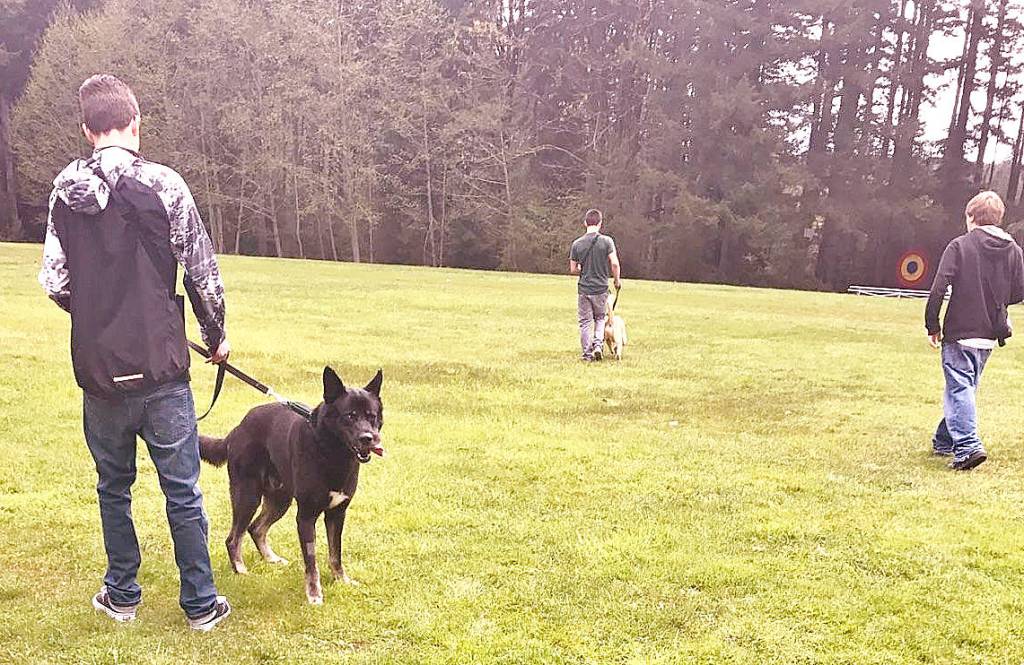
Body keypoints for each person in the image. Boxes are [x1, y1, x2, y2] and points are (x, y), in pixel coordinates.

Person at [38, 74, 232, 629]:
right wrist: (216, 336)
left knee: (112, 487)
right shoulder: (166, 184)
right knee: (182, 489)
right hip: (162, 370)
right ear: (135, 123)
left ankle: (121, 595)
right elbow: (201, 273)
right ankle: (200, 604)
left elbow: (55, 281)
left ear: (86, 128)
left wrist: (100, 315)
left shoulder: (61, 191)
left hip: (98, 372)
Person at [924, 190, 1024, 471]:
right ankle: (944, 441)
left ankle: (967, 446)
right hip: (989, 335)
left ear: (971, 217)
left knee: (960, 388)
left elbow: (939, 288)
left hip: (960, 332)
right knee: (964, 387)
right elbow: (1019, 291)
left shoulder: (960, 245)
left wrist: (933, 324)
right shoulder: (1014, 250)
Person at [569, 208, 621, 361]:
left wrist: (583, 270)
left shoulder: (577, 244)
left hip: (584, 288)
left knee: (585, 322)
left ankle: (586, 354)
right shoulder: (607, 241)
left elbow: (573, 269)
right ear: (600, 223)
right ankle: (598, 345)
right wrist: (616, 280)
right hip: (601, 288)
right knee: (600, 318)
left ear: (585, 223)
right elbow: (615, 263)